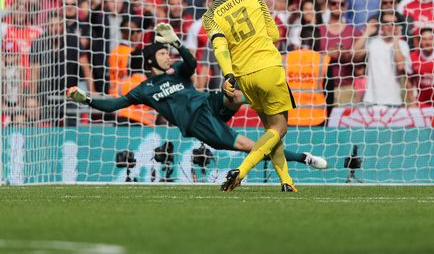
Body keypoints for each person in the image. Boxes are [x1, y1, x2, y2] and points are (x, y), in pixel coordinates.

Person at [67, 26, 327, 172]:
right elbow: (116, 103)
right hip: (197, 123)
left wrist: (178, 43)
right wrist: (88, 100)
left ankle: (268, 98)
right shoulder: (144, 89)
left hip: (207, 103)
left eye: (169, 52)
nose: (168, 56)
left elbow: (190, 62)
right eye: (163, 53)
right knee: (252, 146)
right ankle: (303, 157)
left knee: (234, 94)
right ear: (150, 60)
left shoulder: (178, 72)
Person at [202, 0, 301, 192]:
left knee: (270, 129)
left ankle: (287, 181)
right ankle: (241, 171)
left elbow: (220, 47)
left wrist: (228, 74)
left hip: (244, 77)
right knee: (280, 127)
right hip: (268, 67)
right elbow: (275, 34)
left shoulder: (210, 16)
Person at [353, 11, 410, 107]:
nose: (390, 26)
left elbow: (401, 66)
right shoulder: (373, 42)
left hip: (393, 101)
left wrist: (396, 40)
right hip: (371, 100)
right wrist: (367, 33)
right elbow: (353, 55)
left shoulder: (402, 45)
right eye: (386, 23)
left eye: (394, 23)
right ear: (381, 25)